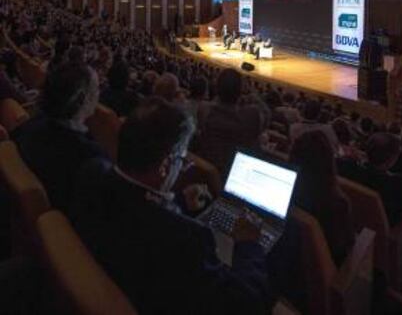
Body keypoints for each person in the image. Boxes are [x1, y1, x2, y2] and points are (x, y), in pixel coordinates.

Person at [73, 99, 271, 315]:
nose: (183, 166)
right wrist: (248, 245)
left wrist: (176, 202)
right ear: (165, 165)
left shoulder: (90, 174)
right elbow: (244, 304)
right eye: (182, 160)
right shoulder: (186, 238)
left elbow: (134, 206)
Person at [268, 130, 355, 313]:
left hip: (283, 271)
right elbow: (344, 250)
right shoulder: (337, 204)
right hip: (315, 286)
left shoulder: (280, 189)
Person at [12, 62, 107, 214]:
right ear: (82, 99)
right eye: (96, 89)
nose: (99, 94)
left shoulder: (29, 126)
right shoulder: (89, 158)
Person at [196, 68, 266, 176]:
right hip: (237, 172)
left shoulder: (204, 110)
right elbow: (266, 114)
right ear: (241, 91)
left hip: (208, 169)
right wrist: (254, 96)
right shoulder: (252, 114)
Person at [337, 132, 402, 227]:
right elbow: (400, 219)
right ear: (392, 159)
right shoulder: (401, 186)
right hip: (375, 234)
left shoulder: (343, 166)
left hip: (342, 222)